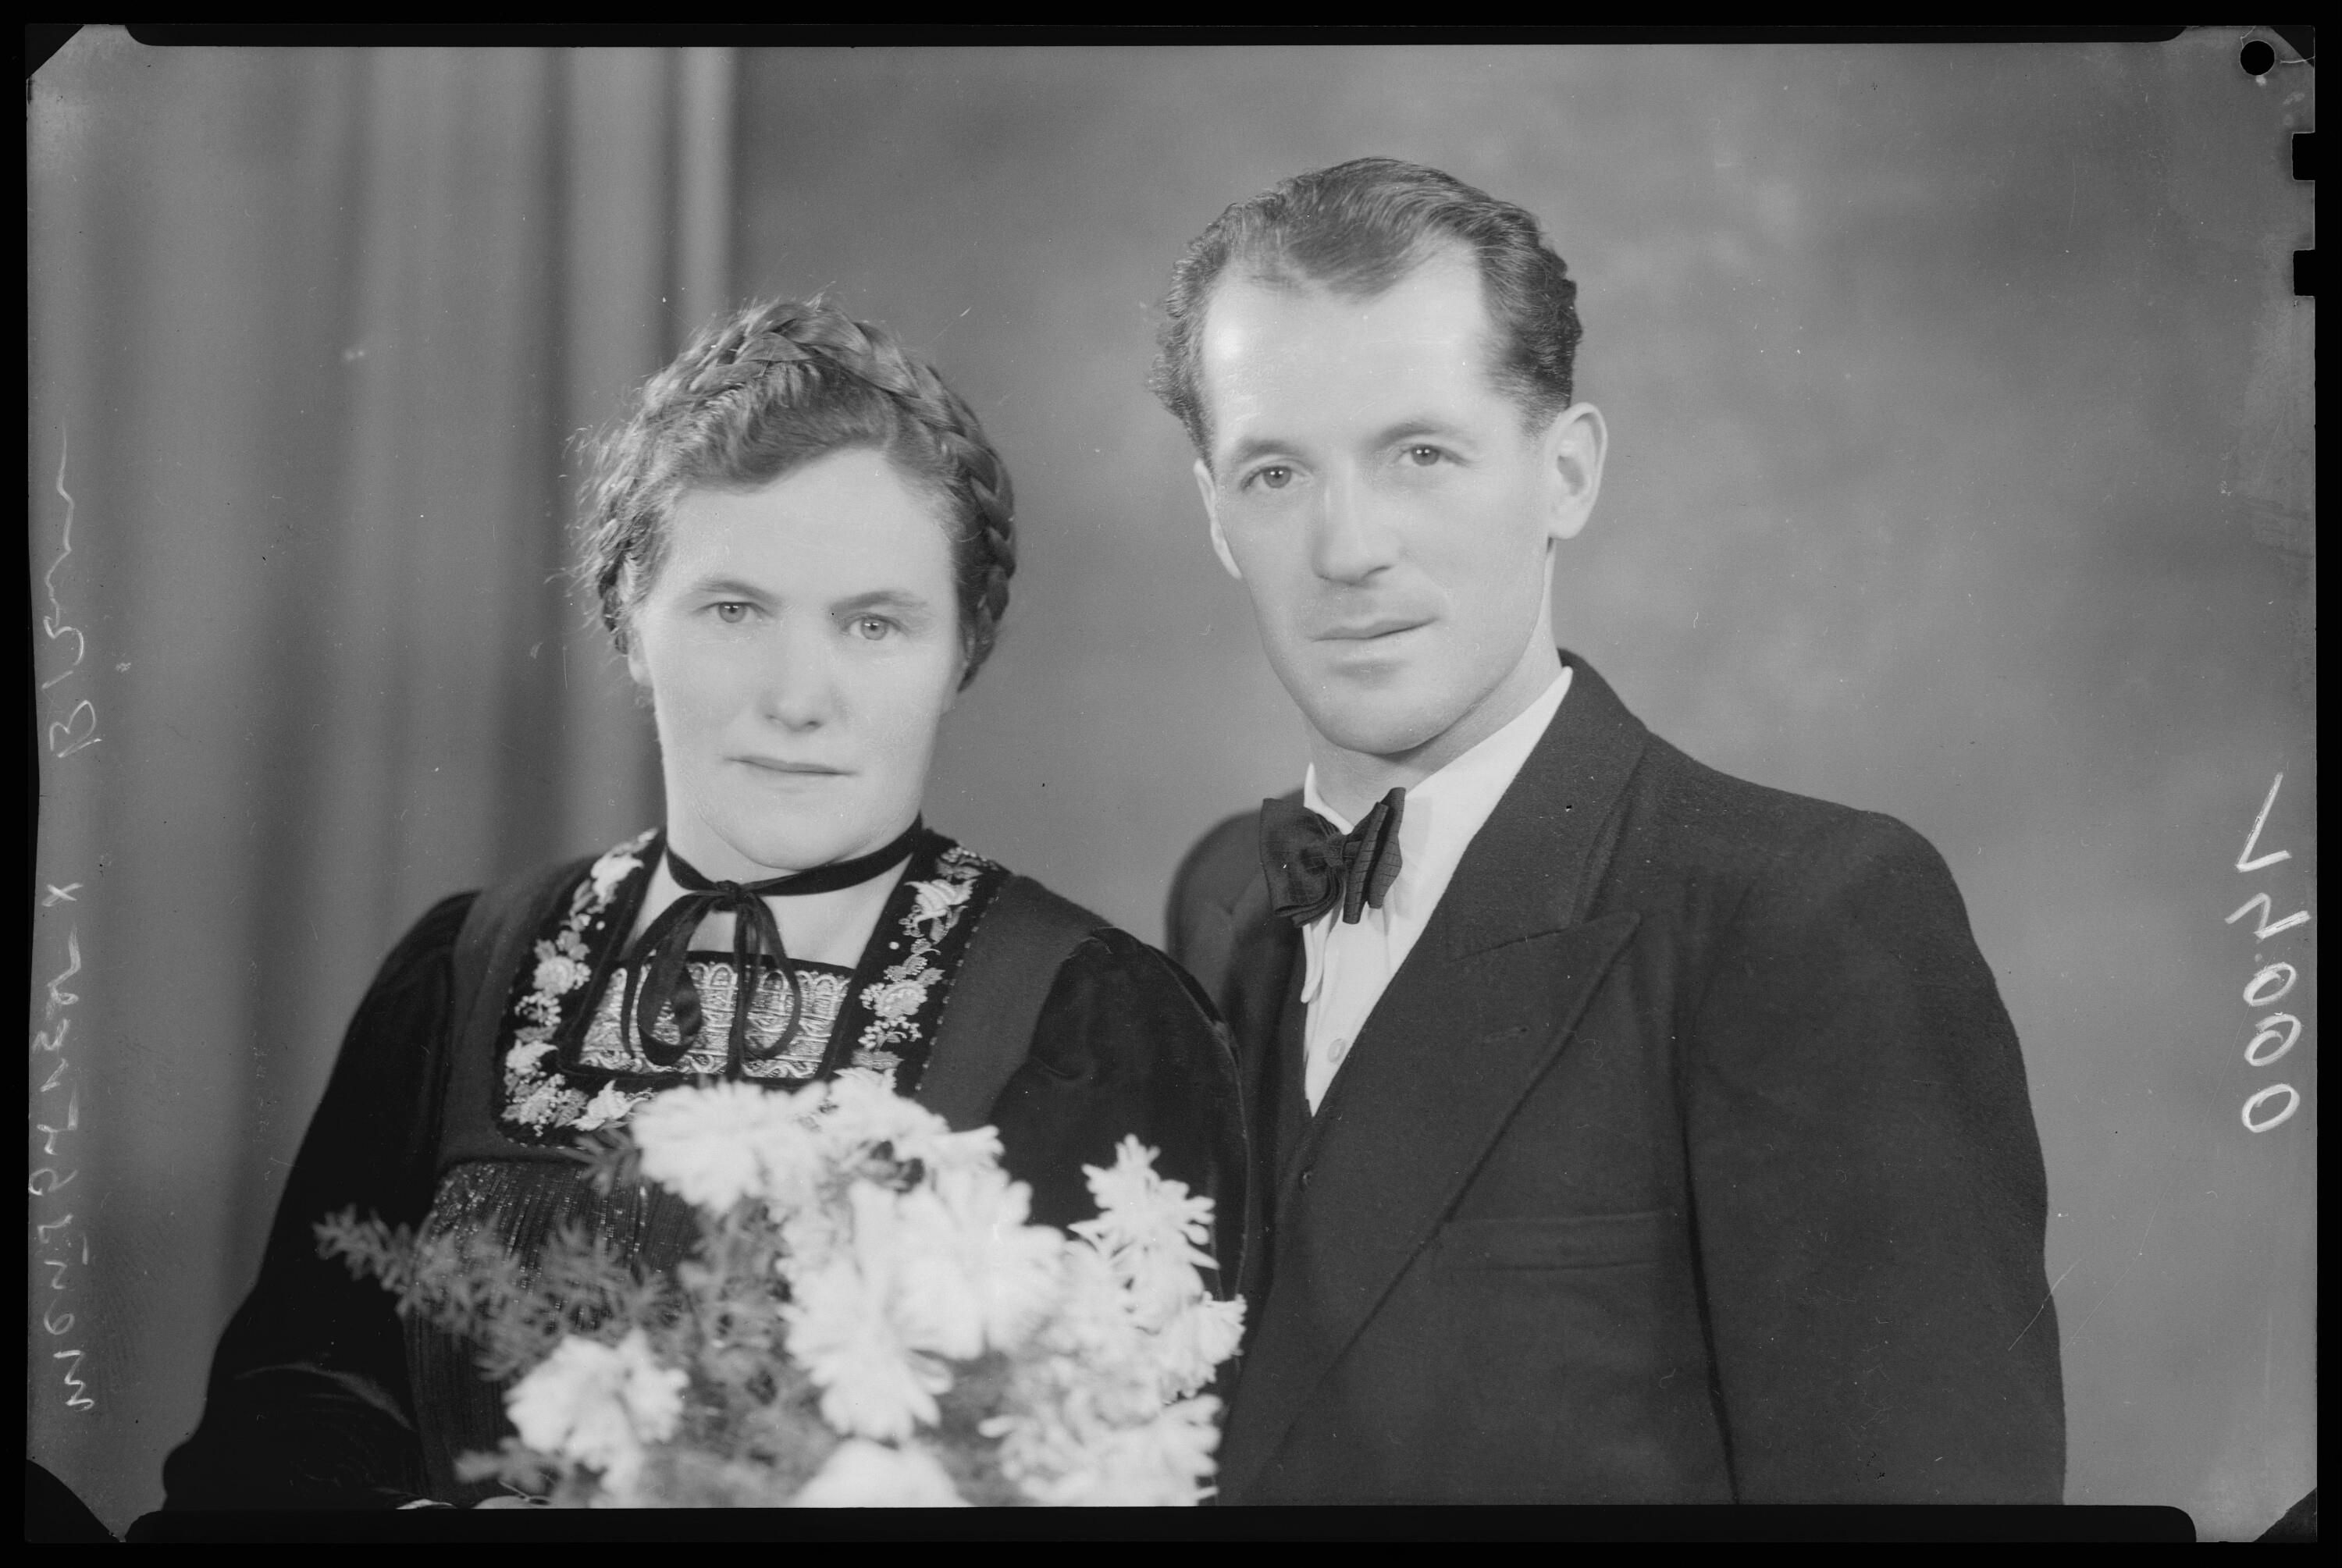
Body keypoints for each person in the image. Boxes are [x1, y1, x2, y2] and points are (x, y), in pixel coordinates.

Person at [160, 297, 1245, 1509]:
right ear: (630, 617)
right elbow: (286, 1421)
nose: (798, 697)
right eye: (735, 610)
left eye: (874, 624)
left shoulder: (1093, 1022)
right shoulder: (466, 972)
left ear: (961, 652)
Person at [1155, 158, 2065, 1506]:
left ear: (1567, 472)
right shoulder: (1228, 895)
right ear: (1216, 517)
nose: (1348, 548)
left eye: (1421, 454)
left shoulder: (1806, 918)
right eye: (1276, 471)